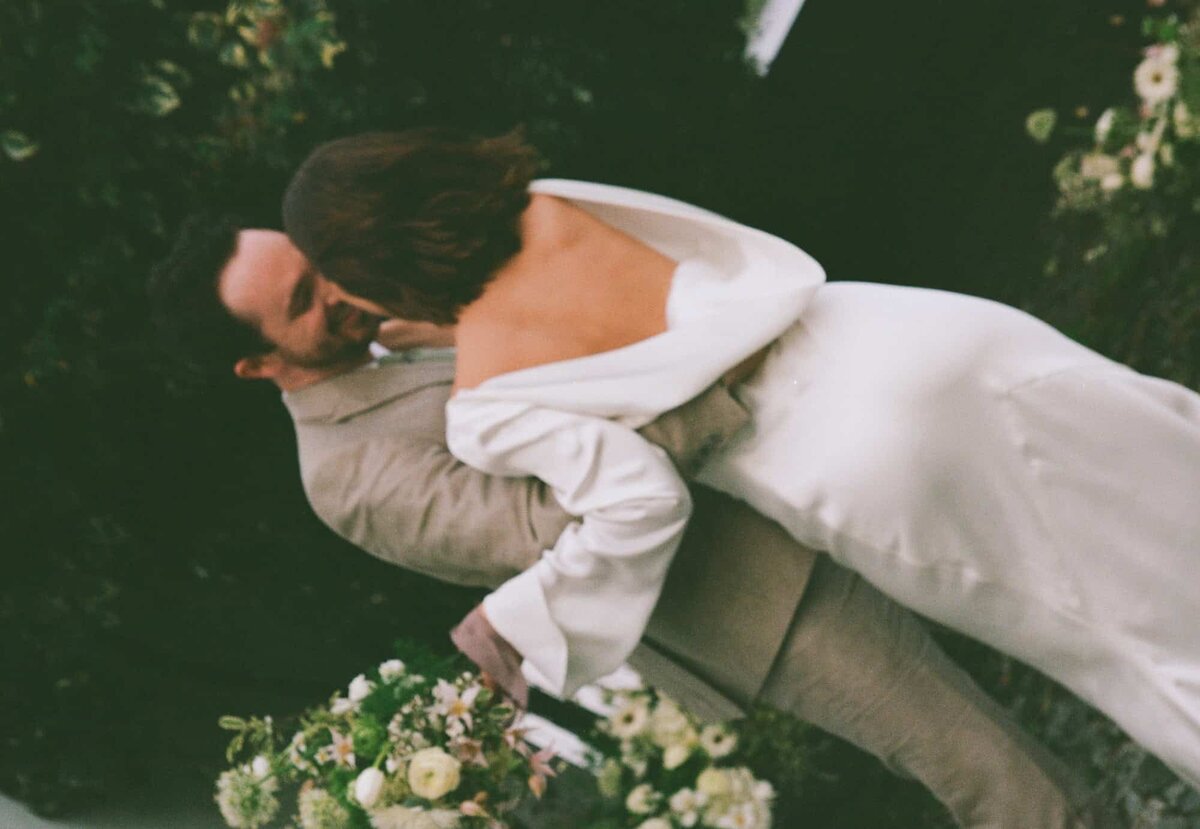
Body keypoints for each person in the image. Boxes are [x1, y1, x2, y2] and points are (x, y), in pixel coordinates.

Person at [279, 128, 1200, 788]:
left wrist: (520, 623)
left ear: (372, 267)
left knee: (1117, 640)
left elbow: (638, 500)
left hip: (852, 456)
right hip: (912, 328)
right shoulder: (553, 204)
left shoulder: (485, 398)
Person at [144, 218, 1122, 828]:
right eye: (306, 304)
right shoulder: (349, 475)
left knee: (1075, 616)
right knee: (996, 776)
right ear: (257, 365)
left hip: (807, 468)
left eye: (319, 266)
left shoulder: (399, 322)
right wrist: (724, 373)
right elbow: (558, 522)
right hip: (758, 596)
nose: (343, 292)